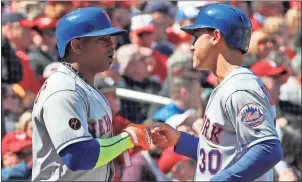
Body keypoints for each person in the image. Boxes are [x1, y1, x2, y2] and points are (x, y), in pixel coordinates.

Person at [151, 3, 282, 181]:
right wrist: (179, 140)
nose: (192, 46)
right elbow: (221, 155)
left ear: (215, 36)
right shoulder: (229, 84)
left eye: (196, 37)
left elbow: (268, 150)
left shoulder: (240, 87)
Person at [31, 7, 151, 181]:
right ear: (77, 45)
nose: (112, 45)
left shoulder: (85, 86)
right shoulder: (64, 90)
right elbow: (78, 156)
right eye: (102, 39)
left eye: (110, 38)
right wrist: (127, 139)